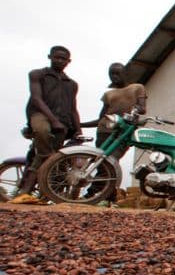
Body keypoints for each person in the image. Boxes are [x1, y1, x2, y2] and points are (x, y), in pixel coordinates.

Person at [11, 45, 81, 202]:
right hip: (40, 115)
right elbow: (36, 98)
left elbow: (73, 108)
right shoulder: (37, 74)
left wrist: (78, 130)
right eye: (57, 57)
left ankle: (32, 193)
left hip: (62, 123)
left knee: (41, 158)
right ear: (49, 57)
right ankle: (51, 160)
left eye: (63, 59)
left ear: (69, 61)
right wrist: (53, 120)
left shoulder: (72, 84)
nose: (60, 60)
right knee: (43, 133)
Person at [80, 62, 147, 205]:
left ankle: (91, 194)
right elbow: (101, 118)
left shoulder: (137, 88)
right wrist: (80, 125)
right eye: (112, 74)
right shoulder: (108, 94)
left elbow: (142, 108)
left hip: (123, 131)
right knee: (101, 162)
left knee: (110, 161)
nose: (115, 76)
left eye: (118, 73)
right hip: (104, 131)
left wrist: (137, 110)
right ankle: (109, 196)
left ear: (126, 73)